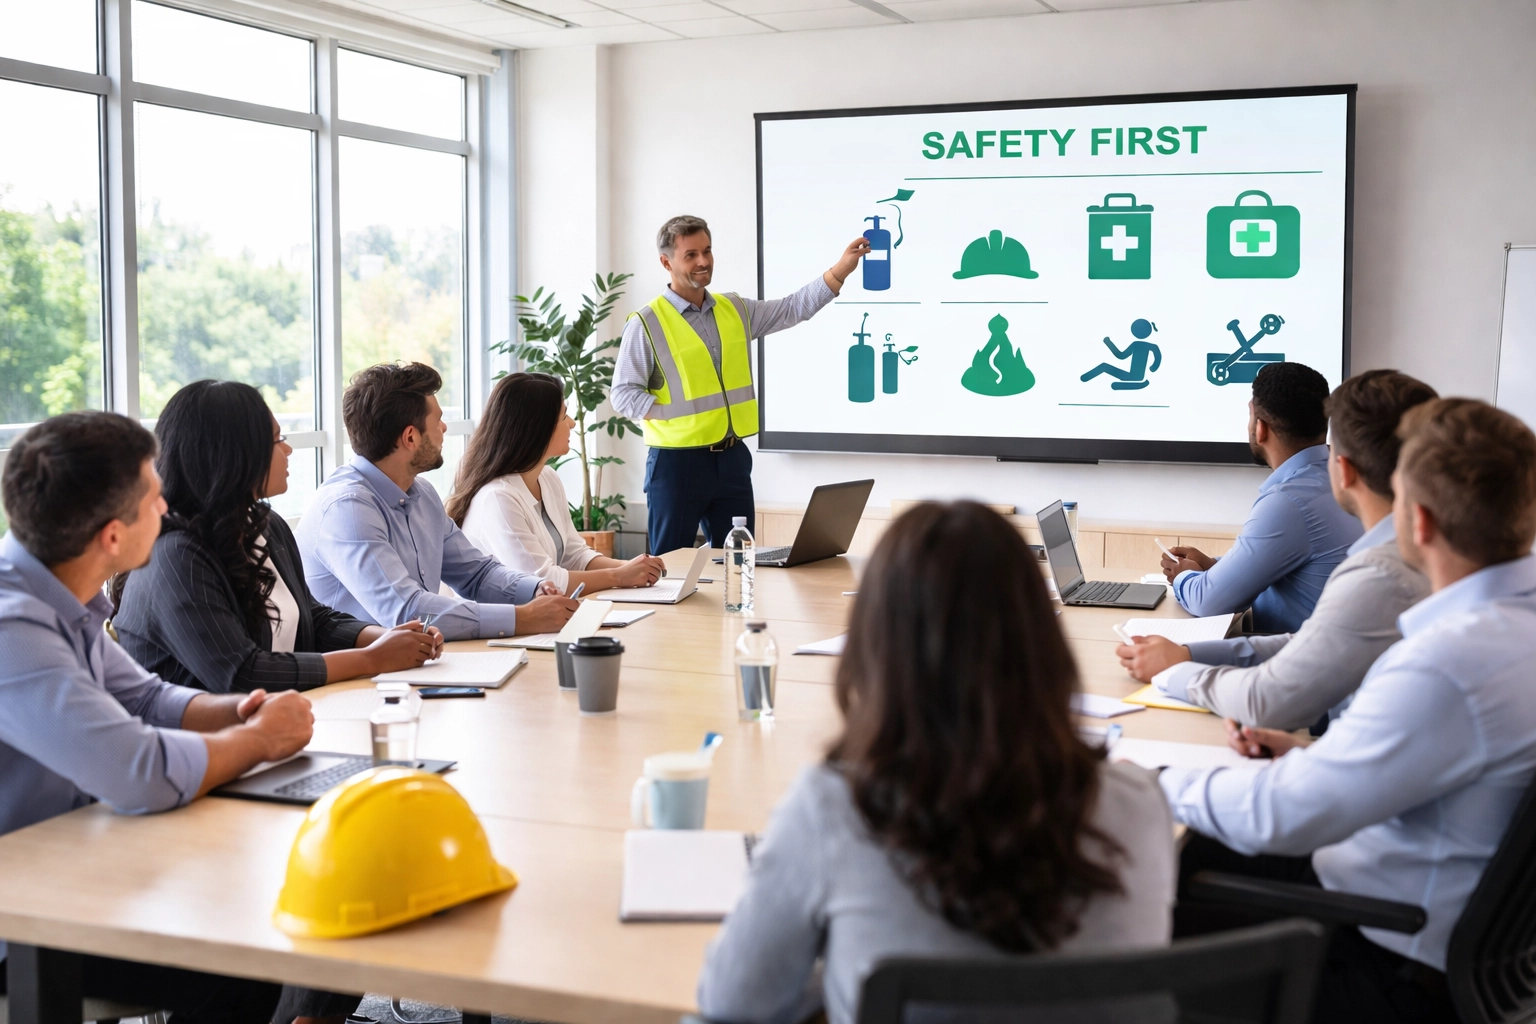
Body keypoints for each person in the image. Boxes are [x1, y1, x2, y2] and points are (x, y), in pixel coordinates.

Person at [696, 502, 1175, 1024]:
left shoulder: (834, 807)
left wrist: (841, 964)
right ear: (1041, 639)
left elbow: (734, 1002)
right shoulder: (1137, 801)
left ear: (877, 645)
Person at [1162, 398, 1536, 1024]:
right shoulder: (1508, 632)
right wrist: (1313, 753)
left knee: (1156, 872)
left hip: (1382, 962)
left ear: (1415, 522)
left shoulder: (1447, 662)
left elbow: (1281, 817)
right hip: (1470, 951)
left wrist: (1154, 784)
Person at [0, 411, 316, 1024]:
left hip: (70, 860)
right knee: (242, 959)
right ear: (114, 537)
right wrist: (256, 740)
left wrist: (241, 710)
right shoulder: (14, 627)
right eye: (153, 495)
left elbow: (145, 698)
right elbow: (141, 769)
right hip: (22, 914)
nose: (168, 505)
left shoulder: (57, 582)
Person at [1117, 370, 1436, 729]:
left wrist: (1176, 669)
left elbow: (1265, 695)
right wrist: (1187, 654)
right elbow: (1308, 644)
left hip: (1316, 717)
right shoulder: (1414, 555)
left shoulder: (1372, 571)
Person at [112, 381, 443, 694]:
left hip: (275, 722)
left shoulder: (266, 525)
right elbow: (242, 673)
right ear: (233, 455)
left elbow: (312, 619)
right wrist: (373, 658)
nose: (288, 450)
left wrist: (391, 639)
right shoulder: (173, 556)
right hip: (196, 747)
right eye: (277, 439)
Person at [611, 214, 872, 555]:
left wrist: (839, 271)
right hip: (677, 465)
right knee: (668, 568)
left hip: (731, 459)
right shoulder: (647, 322)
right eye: (691, 254)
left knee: (740, 563)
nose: (703, 261)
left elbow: (791, 309)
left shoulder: (734, 309)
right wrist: (674, 414)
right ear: (666, 261)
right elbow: (622, 394)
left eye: (707, 251)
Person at [297, 363, 578, 641]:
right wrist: (524, 618)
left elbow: (476, 574)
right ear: (410, 437)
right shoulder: (347, 509)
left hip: (415, 663)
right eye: (437, 421)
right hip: (358, 677)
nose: (444, 427)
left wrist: (535, 590)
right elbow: (407, 611)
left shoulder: (422, 494)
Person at [1162, 361, 1362, 633]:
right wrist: (1212, 566)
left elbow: (1208, 602)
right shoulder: (1339, 478)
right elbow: (1277, 563)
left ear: (1260, 428)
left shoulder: (1289, 502)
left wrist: (1183, 575)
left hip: (1293, 664)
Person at [447, 372, 666, 594]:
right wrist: (620, 576)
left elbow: (575, 554)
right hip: (503, 623)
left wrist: (634, 568)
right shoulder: (497, 498)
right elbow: (541, 581)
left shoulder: (547, 478)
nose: (571, 424)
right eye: (564, 416)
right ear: (537, 428)